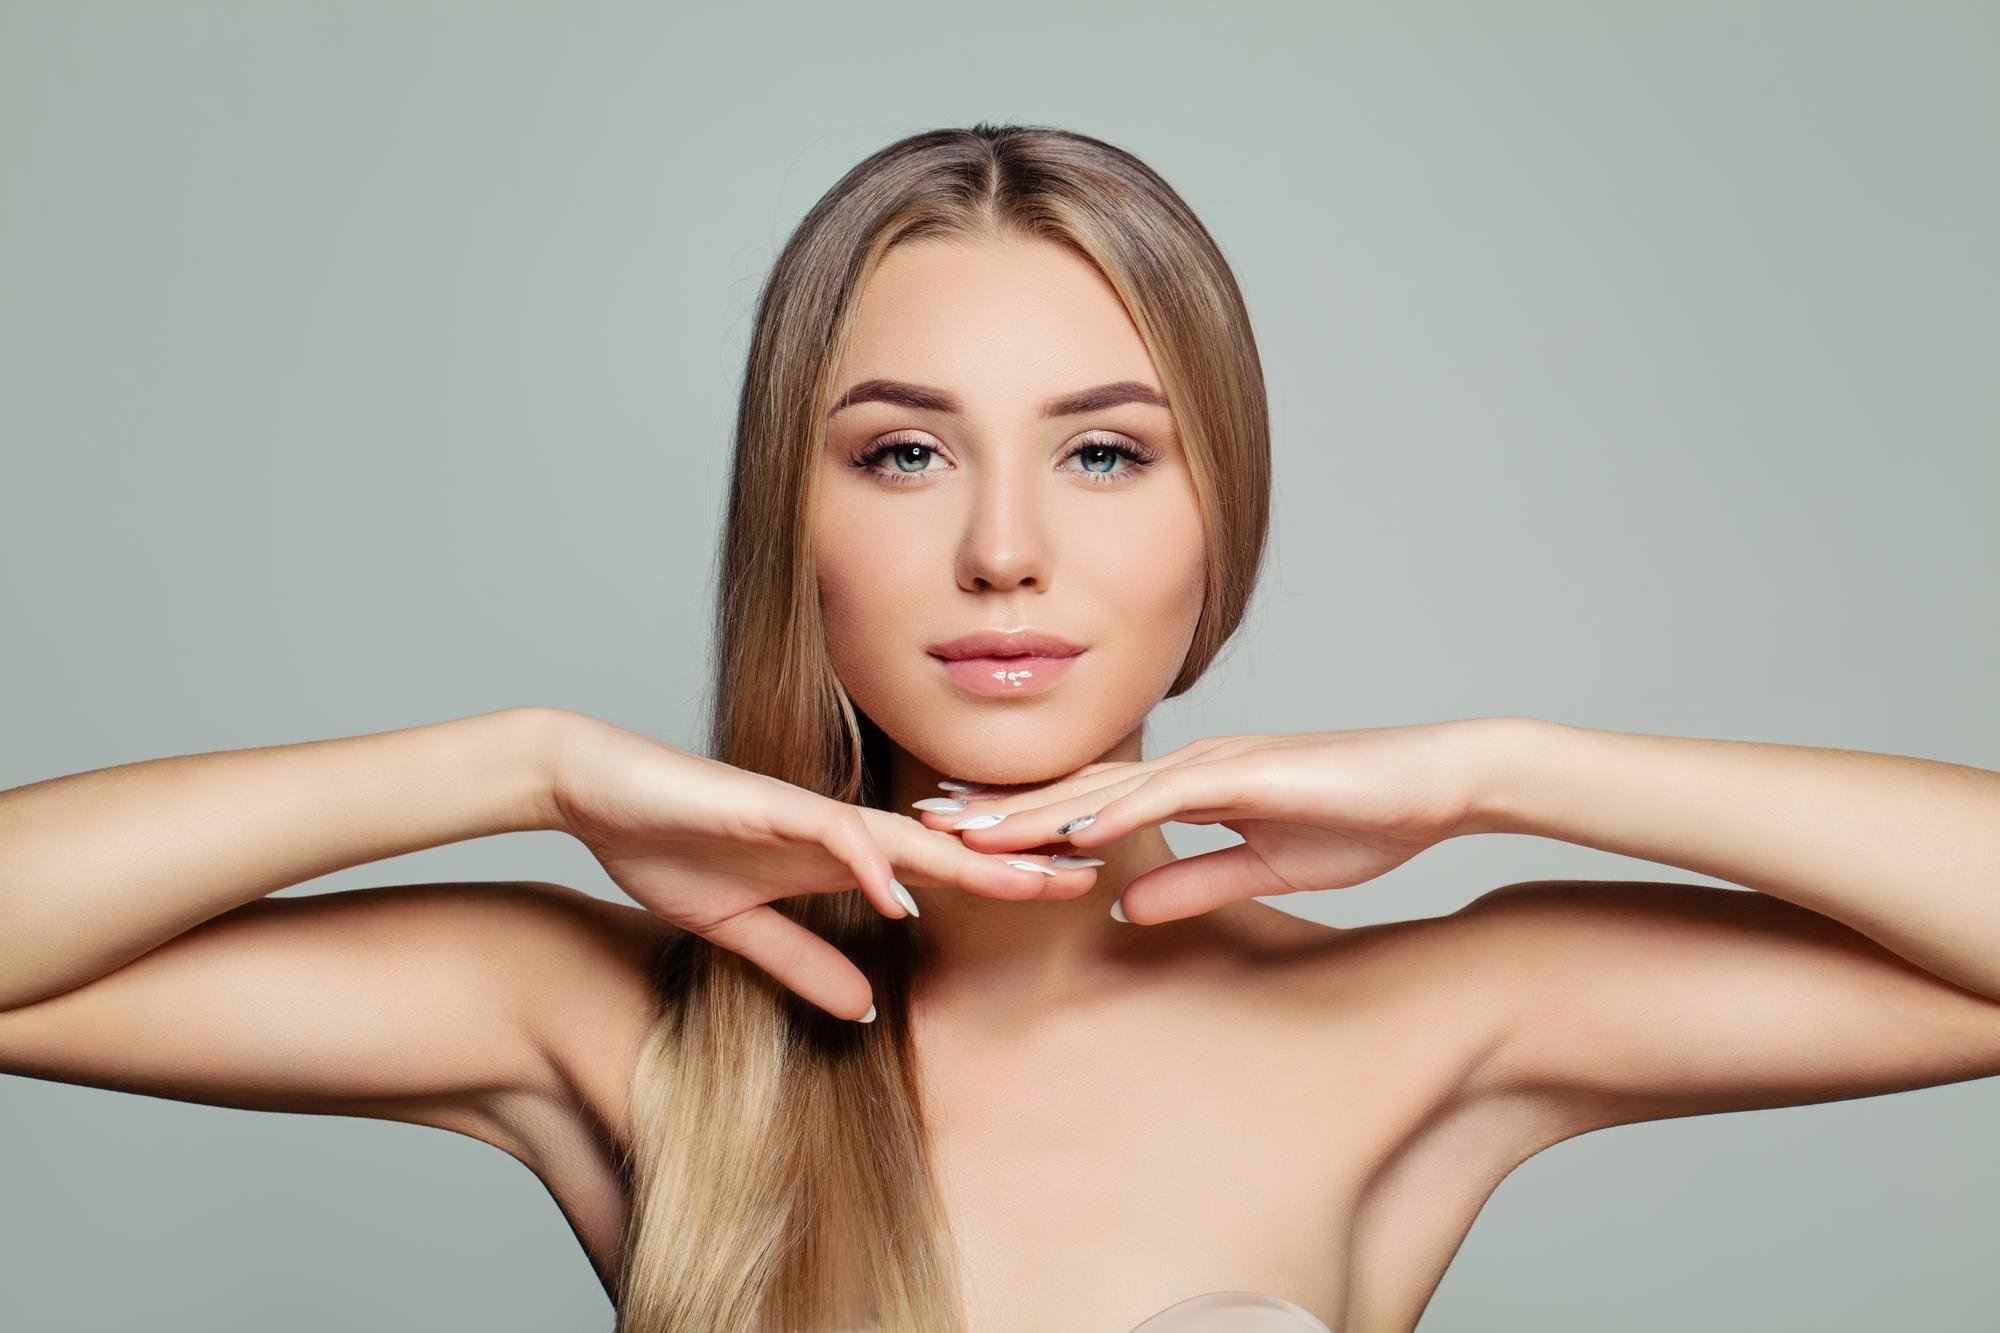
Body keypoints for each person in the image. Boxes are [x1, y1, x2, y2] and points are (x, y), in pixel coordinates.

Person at [3, 122, 1997, 1333]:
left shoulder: (1417, 1026)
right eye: (897, 454)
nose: (1005, 549)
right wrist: (520, 764)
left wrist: (1496, 772)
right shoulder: (620, 1022)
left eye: (1107, 452)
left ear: (1224, 523)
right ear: (793, 523)